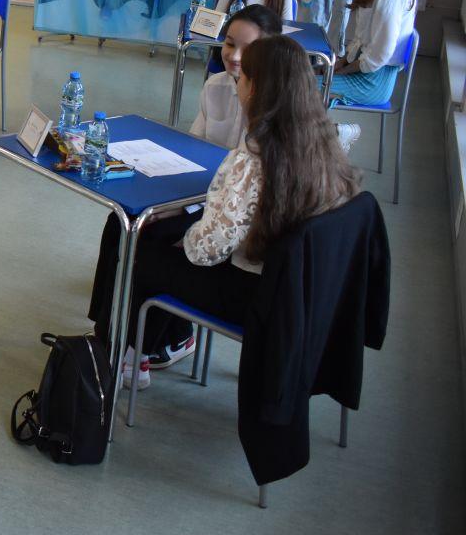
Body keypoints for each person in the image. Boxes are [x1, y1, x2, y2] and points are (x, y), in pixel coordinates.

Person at [89, 35, 362, 389]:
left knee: (142, 255)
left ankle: (120, 359)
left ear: (257, 87)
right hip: (306, 292)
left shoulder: (255, 155)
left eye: (242, 78)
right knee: (161, 241)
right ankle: (143, 348)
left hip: (255, 296)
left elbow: (207, 251)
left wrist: (184, 236)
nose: (237, 84)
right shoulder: (324, 143)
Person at [191, 4, 282, 149]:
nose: (234, 56)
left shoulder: (278, 101)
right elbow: (195, 141)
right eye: (230, 44)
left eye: (248, 50)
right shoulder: (214, 86)